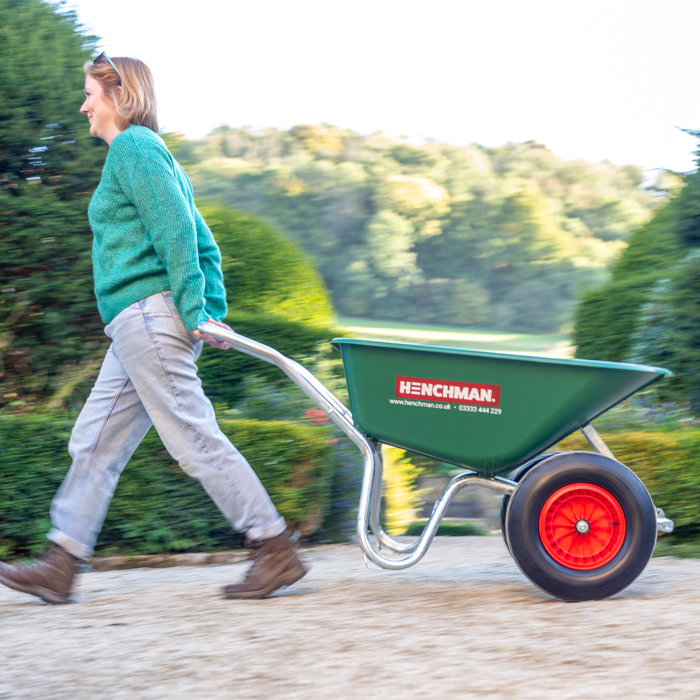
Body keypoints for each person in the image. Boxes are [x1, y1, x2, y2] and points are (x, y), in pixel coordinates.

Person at [0, 53, 307, 604]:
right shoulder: (142, 155)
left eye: (90, 94)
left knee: (191, 437)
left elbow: (178, 235)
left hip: (148, 316)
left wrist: (197, 310)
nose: (83, 105)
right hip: (134, 325)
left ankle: (274, 546)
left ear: (119, 96)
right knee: (94, 441)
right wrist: (204, 305)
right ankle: (61, 562)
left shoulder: (135, 148)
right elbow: (199, 237)